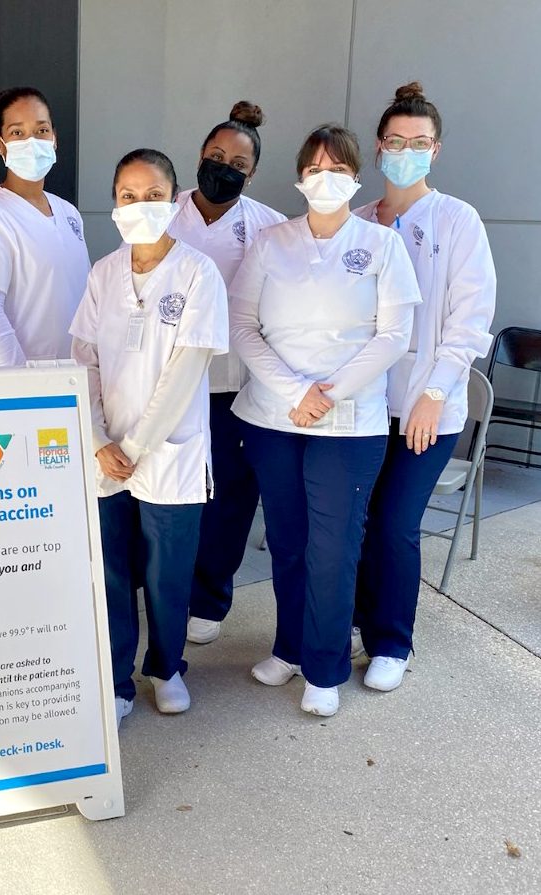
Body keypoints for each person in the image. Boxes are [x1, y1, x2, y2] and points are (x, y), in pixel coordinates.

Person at [229, 124, 421, 716]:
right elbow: (241, 327)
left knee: (334, 548)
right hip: (273, 414)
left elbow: (394, 335)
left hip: (349, 420)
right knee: (287, 542)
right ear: (298, 178)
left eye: (338, 170)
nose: (326, 179)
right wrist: (295, 391)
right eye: (316, 168)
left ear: (356, 178)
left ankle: (325, 666)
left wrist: (331, 392)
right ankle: (289, 646)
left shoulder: (382, 245)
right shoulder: (270, 243)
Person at [70, 149, 227, 728]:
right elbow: (82, 359)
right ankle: (116, 681)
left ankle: (166, 668)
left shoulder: (197, 273)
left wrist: (132, 448)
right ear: (114, 203)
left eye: (154, 194)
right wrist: (96, 438)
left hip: (167, 450)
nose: (141, 206)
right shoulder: (104, 272)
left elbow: (186, 370)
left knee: (166, 572)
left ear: (174, 198)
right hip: (104, 450)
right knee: (110, 571)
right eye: (129, 196)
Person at [352, 83, 496, 691]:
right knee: (353, 518)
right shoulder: (357, 222)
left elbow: (470, 316)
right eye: (396, 141)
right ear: (380, 147)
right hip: (360, 405)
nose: (406, 151)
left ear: (434, 151)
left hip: (424, 409)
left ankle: (392, 642)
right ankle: (357, 623)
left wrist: (435, 392)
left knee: (394, 523)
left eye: (419, 143)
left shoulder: (455, 219)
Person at [168, 101, 287, 646]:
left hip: (235, 387)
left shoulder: (268, 228)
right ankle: (165, 587)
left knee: (231, 497)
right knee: (170, 491)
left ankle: (210, 598)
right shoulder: (162, 212)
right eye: (216, 156)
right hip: (169, 382)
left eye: (236, 163)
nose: (224, 167)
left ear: (252, 172)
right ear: (199, 156)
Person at [0, 86, 90, 365]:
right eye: (17, 132)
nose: (32, 141)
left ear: (54, 138)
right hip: (21, 384)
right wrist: (22, 381)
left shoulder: (68, 213)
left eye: (41, 130)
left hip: (73, 374)